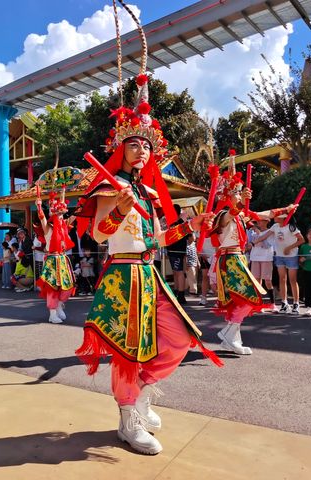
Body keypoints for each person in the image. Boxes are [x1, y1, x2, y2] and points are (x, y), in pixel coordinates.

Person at [73, 73, 220, 455]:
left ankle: (141, 396)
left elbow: (154, 241)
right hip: (122, 275)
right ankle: (128, 420)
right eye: (134, 145)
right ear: (120, 149)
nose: (142, 152)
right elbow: (99, 237)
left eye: (147, 147)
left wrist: (189, 225)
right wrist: (118, 210)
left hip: (149, 273)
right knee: (127, 351)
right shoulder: (109, 187)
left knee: (179, 338)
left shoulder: (149, 192)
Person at [206, 157, 298, 355]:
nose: (240, 196)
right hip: (229, 260)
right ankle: (228, 333)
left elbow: (265, 214)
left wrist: (286, 209)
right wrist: (239, 205)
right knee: (248, 297)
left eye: (241, 192)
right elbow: (231, 213)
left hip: (237, 259)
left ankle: (231, 337)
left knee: (241, 299)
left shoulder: (241, 215)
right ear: (229, 194)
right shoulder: (223, 215)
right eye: (238, 192)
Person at [35, 189, 76, 323]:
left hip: (63, 259)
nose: (60, 216)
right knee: (52, 287)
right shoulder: (48, 227)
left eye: (61, 214)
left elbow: (75, 215)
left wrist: (83, 203)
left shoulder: (64, 227)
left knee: (66, 285)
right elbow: (42, 218)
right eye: (58, 214)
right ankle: (52, 313)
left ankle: (59, 306)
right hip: (52, 260)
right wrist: (39, 206)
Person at [260, 214, 305, 314]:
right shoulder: (275, 226)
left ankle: (296, 303)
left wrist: (289, 248)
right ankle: (284, 303)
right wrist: (255, 241)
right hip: (279, 256)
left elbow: (301, 240)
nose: (275, 217)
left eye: (277, 215)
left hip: (291, 256)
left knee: (292, 280)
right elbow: (265, 236)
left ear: (284, 217)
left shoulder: (291, 227)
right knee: (282, 279)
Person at [248, 219, 275, 309]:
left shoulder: (270, 231)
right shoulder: (252, 232)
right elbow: (248, 244)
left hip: (266, 258)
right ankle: (259, 303)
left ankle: (272, 303)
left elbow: (267, 245)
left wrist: (259, 234)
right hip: (254, 257)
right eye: (257, 221)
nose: (258, 223)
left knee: (267, 281)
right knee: (256, 281)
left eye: (261, 221)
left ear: (267, 221)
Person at [167, 204, 188, 304]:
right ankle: (175, 292)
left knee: (179, 272)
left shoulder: (182, 223)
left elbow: (191, 238)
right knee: (175, 272)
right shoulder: (170, 223)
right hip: (171, 250)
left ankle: (181, 295)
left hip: (178, 251)